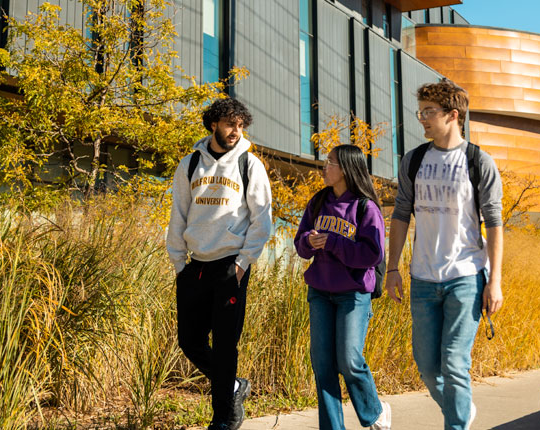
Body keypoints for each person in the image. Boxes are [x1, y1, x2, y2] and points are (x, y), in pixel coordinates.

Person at [384, 79, 504, 430]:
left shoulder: (478, 161)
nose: (422, 118)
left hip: (466, 276)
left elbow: (495, 224)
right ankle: (462, 412)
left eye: (429, 112)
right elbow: (401, 215)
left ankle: (457, 424)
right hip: (423, 277)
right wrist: (392, 268)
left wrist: (494, 281)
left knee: (453, 362)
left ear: (453, 115)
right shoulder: (414, 160)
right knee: (426, 365)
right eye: (420, 111)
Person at [166, 97, 273, 430]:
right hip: (194, 266)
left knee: (226, 346)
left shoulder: (249, 164)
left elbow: (262, 219)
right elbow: (178, 215)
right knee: (190, 341)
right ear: (213, 123)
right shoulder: (190, 164)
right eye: (230, 124)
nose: (235, 132)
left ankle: (222, 418)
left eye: (240, 125)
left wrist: (242, 263)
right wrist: (178, 265)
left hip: (230, 266)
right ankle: (234, 386)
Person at [294, 144, 391, 430]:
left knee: (349, 359)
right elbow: (301, 245)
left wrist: (333, 243)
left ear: (347, 168)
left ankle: (375, 413)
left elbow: (372, 254)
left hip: (353, 294)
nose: (325, 167)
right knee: (323, 366)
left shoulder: (365, 206)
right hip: (320, 293)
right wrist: (308, 243)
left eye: (331, 162)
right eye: (326, 161)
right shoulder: (318, 202)